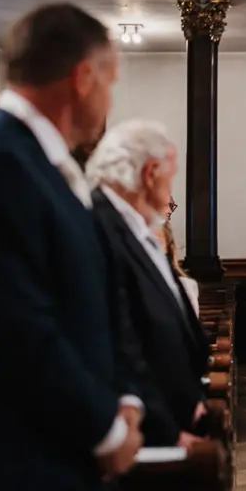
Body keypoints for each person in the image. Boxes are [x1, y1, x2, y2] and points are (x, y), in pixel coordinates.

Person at [0, 3, 143, 491]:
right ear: (83, 78)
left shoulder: (47, 167)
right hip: (19, 480)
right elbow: (18, 328)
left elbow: (95, 301)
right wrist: (106, 430)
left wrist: (124, 400)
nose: (109, 98)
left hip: (64, 471)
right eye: (111, 81)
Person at [86, 120, 210, 449]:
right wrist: (164, 431)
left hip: (169, 425)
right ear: (150, 173)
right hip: (143, 439)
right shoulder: (100, 229)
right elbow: (119, 342)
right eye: (171, 177)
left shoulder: (137, 231)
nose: (171, 196)